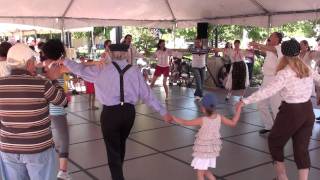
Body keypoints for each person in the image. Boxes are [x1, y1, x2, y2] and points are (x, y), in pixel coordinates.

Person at [59, 43, 172, 180]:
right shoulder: (134, 70)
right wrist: (163, 112)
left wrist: (64, 59)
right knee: (120, 144)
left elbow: (79, 69)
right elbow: (147, 94)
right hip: (129, 113)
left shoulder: (100, 69)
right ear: (126, 54)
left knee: (112, 149)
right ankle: (118, 172)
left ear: (110, 54)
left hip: (110, 114)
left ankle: (118, 177)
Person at [236, 39, 320, 180]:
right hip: (307, 112)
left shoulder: (285, 72)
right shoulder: (306, 68)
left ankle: (282, 177)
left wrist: (245, 101)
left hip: (291, 112)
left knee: (275, 142)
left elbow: (267, 91)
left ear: (283, 54)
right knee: (301, 148)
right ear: (299, 52)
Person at [0, 43, 67, 180]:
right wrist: (54, 80)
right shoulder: (41, 83)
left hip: (9, 149)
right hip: (38, 148)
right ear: (28, 62)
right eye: (33, 61)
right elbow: (62, 101)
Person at [173, 93, 242, 180]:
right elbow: (233, 123)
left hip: (203, 151)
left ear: (203, 108)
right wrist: (239, 108)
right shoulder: (219, 117)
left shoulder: (203, 120)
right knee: (204, 170)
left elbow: (185, 122)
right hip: (211, 151)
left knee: (200, 174)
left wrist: (173, 117)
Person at [41, 39, 72, 180]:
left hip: (44, 108)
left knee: (48, 139)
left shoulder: (42, 66)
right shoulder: (59, 66)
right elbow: (81, 67)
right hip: (57, 109)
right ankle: (63, 171)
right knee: (64, 139)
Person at [249, 32, 283, 134]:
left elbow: (269, 49)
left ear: (277, 38)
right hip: (266, 79)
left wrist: (257, 44)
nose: (269, 37)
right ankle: (269, 126)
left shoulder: (279, 48)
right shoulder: (270, 48)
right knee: (261, 103)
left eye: (271, 36)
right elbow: (264, 50)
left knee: (275, 105)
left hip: (275, 79)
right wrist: (256, 47)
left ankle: (279, 129)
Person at [299, 40, 320, 123]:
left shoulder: (310, 53)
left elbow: (318, 57)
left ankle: (307, 115)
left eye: (302, 45)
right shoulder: (298, 54)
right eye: (299, 45)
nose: (300, 46)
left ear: (306, 45)